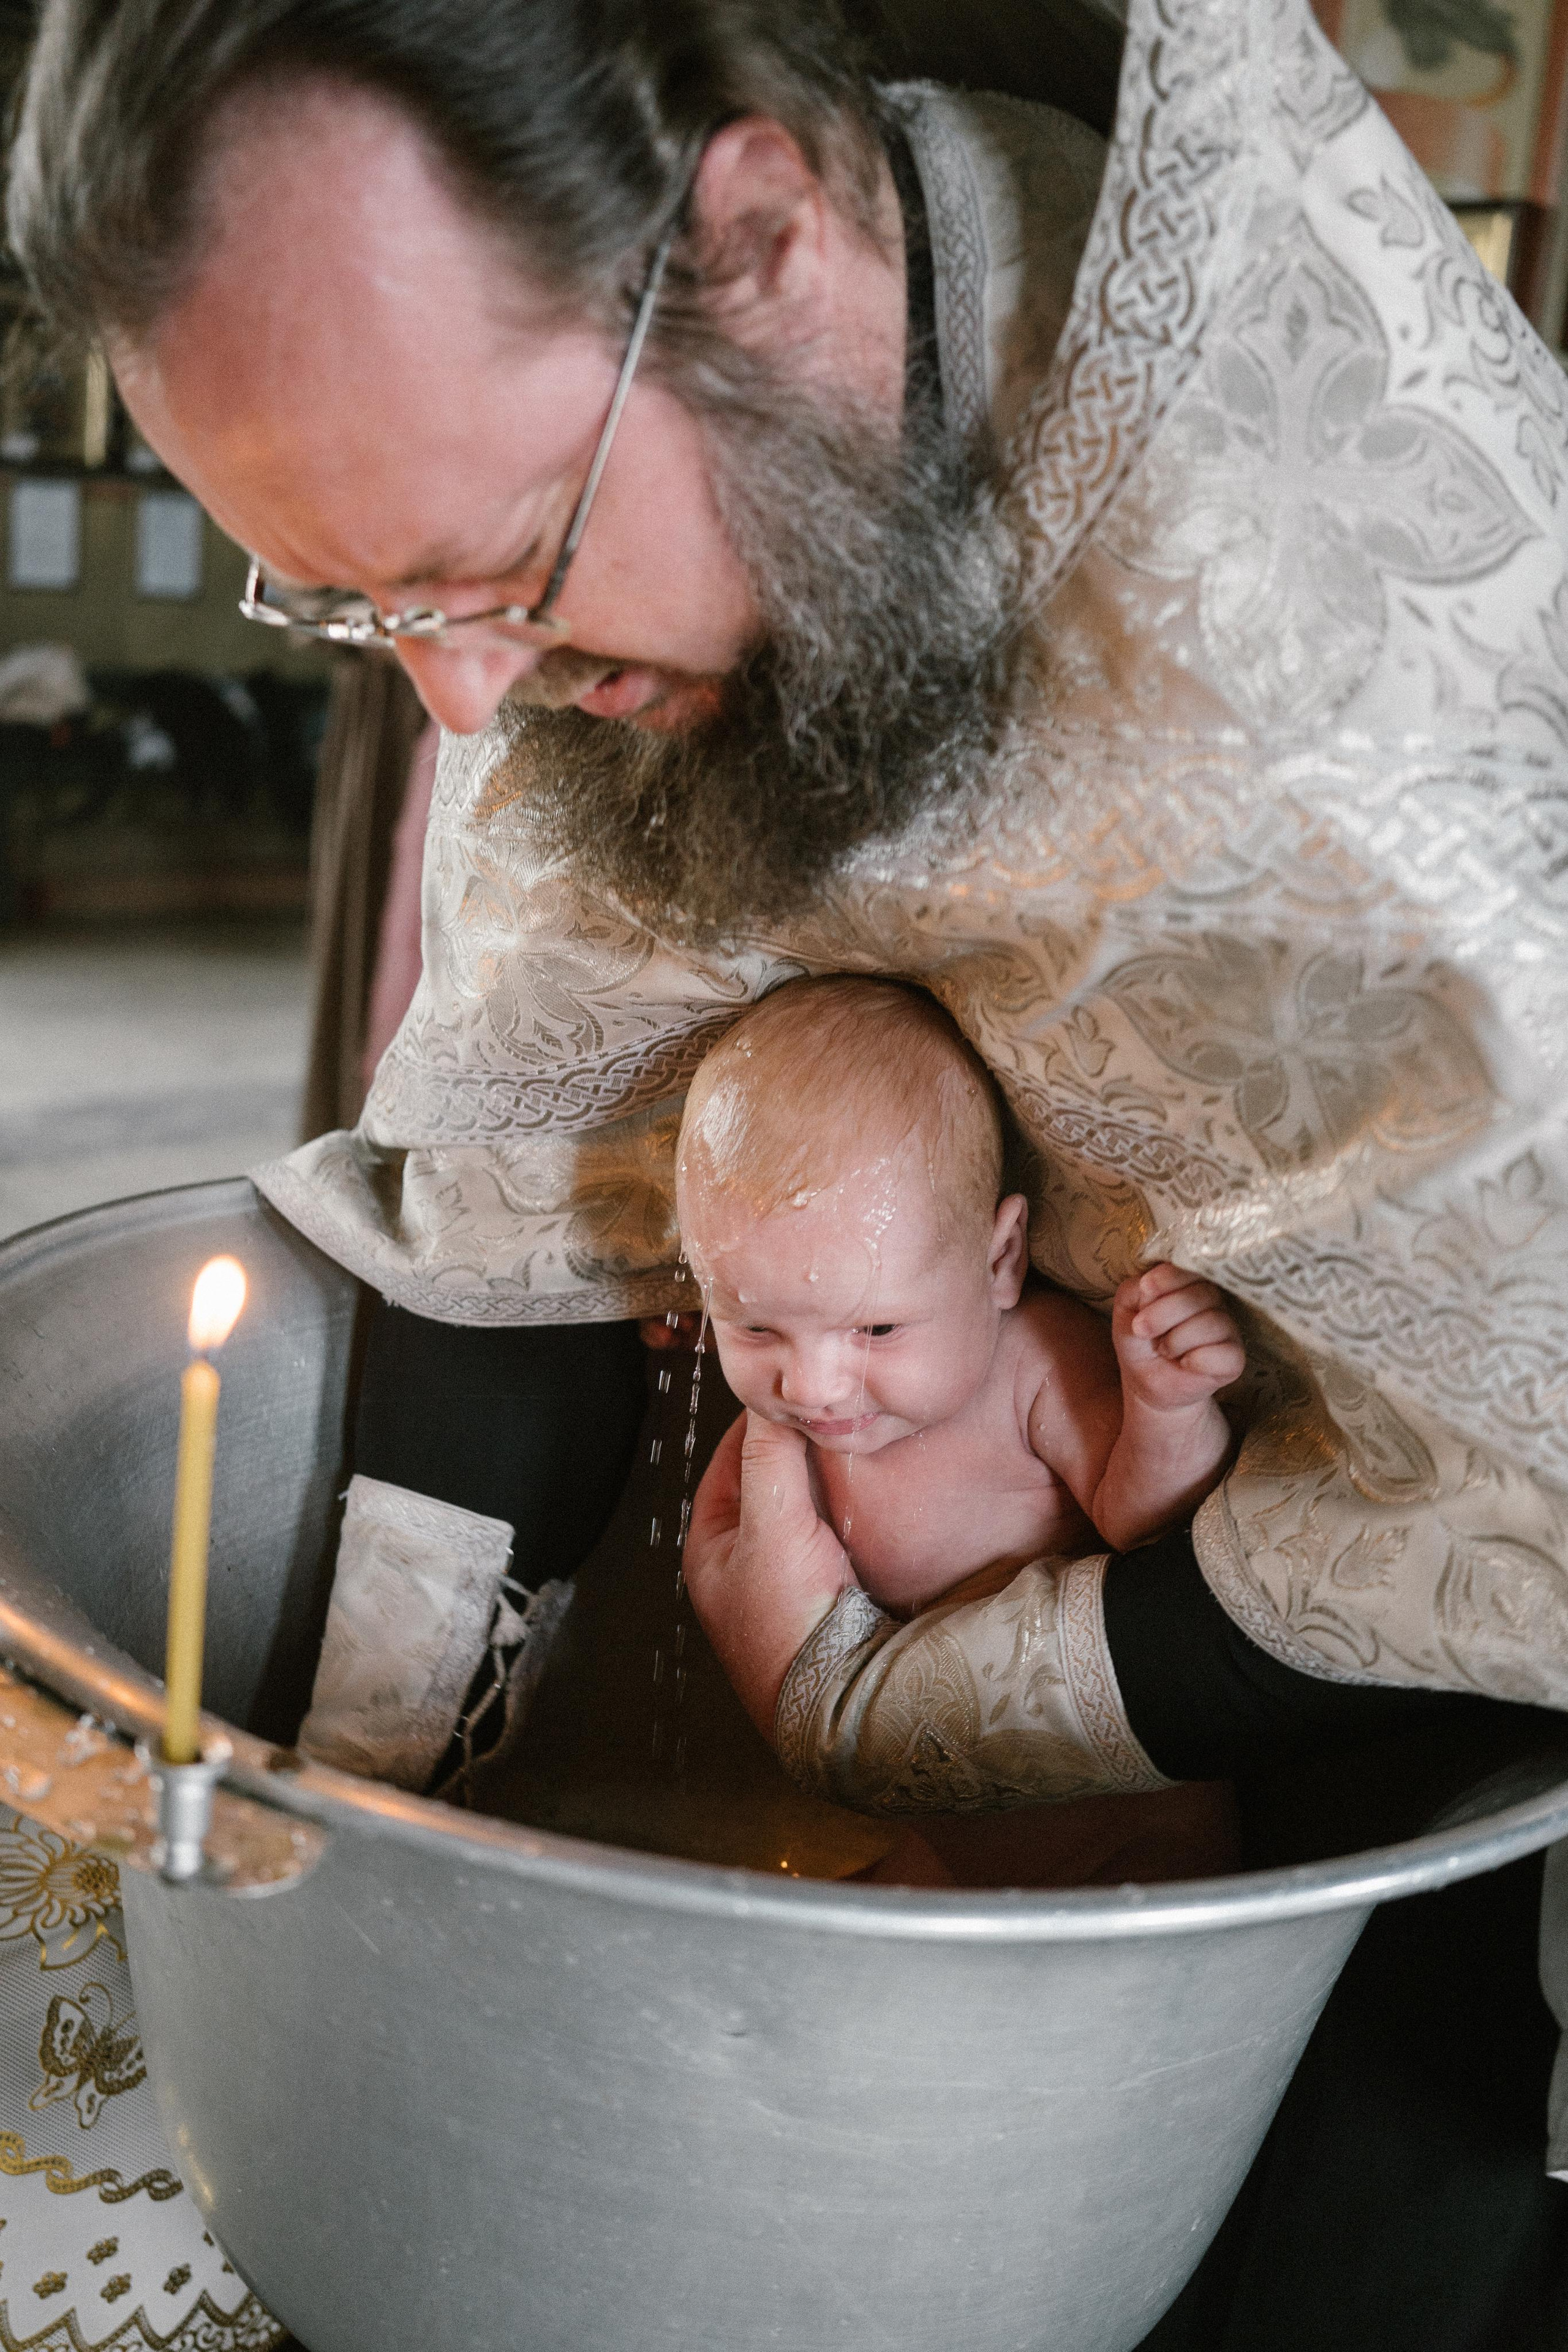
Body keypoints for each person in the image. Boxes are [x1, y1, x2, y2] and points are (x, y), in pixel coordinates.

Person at [10, 0, 1568, 2341]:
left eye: (495, 561)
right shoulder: (690, 488)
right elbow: (532, 1139)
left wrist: (848, 1704)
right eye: (348, 602)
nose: (458, 706)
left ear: (754, 238)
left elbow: (1480, 1515)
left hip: (1327, 1854)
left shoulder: (1323, 702)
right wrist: (377, 1812)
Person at [677, 976, 1246, 1768]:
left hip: (1110, 1815)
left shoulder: (1034, 1363)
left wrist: (1167, 1408)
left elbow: (1145, 1527)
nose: (809, 1388)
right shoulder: (807, 1405)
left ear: (1000, 1259)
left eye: (876, 1328)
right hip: (925, 1801)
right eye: (755, 1325)